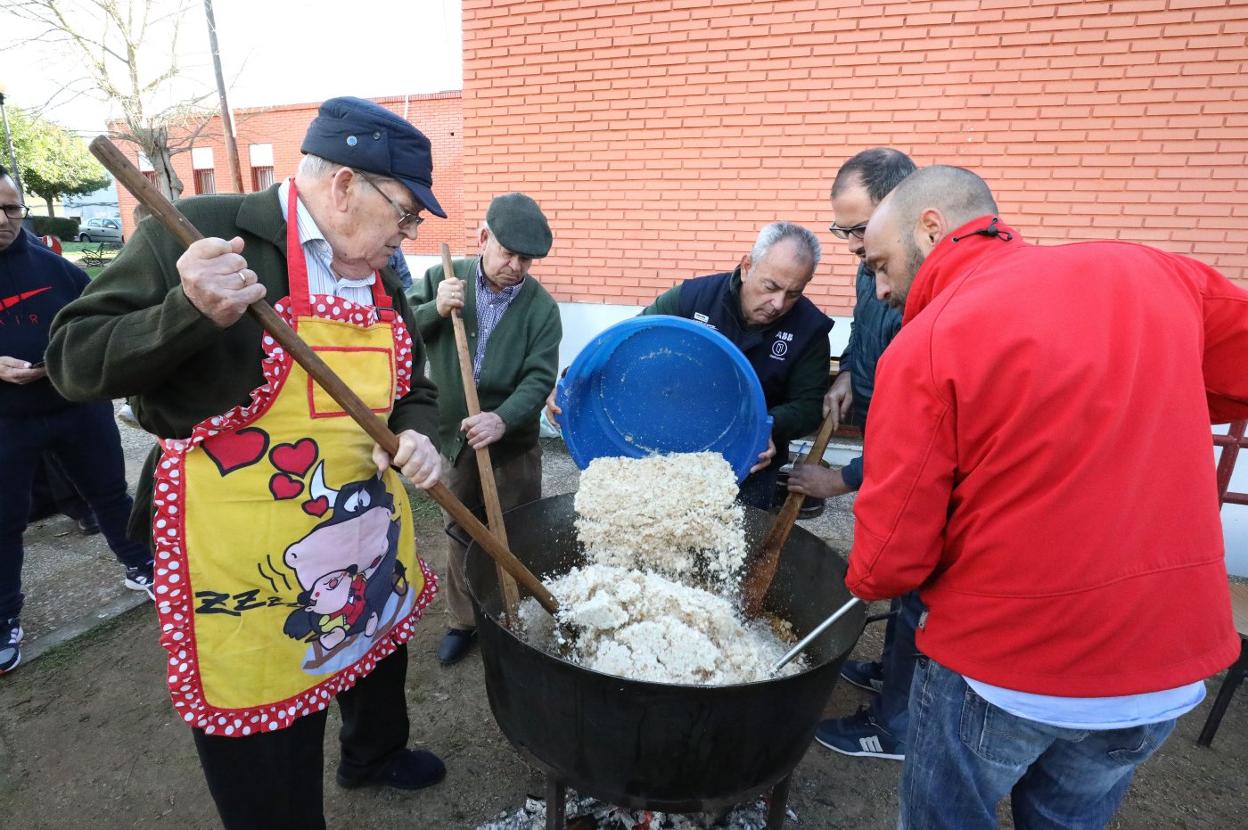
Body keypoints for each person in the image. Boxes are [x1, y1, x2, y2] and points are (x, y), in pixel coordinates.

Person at [47, 97, 451, 829]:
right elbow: (73, 362)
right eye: (405, 211)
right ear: (345, 187)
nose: (409, 232)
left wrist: (417, 433)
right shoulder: (207, 235)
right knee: (270, 715)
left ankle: (373, 753)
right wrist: (185, 310)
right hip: (245, 546)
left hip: (361, 518)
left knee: (376, 641)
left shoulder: (383, 273)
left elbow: (415, 384)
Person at [850, 164, 1248, 828]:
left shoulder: (929, 339)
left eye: (882, 263)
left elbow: (890, 560)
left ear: (933, 227)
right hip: (1161, 672)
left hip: (1005, 669)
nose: (881, 287)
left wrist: (864, 576)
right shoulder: (1150, 271)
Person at [787, 148, 920, 761]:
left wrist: (839, 480)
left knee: (914, 580)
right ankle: (894, 672)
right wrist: (847, 375)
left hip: (904, 450)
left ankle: (896, 722)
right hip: (875, 419)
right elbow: (867, 332)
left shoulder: (924, 291)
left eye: (857, 229)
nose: (849, 245)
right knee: (903, 588)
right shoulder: (877, 267)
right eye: (840, 229)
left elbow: (921, 438)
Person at [549, 222, 831, 509]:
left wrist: (768, 426)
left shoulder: (809, 329)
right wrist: (573, 382)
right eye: (771, 287)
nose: (778, 303)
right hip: (668, 442)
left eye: (793, 293)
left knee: (741, 542)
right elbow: (625, 346)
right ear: (747, 267)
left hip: (747, 459)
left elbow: (809, 406)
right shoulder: (691, 298)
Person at [0, 165, 155, 676]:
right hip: (7, 422)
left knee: (111, 493)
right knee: (4, 521)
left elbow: (95, 325)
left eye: (11, 208)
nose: (4, 219)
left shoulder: (55, 269)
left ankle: (142, 564)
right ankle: (4, 619)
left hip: (75, 408)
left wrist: (70, 360)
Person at [408, 192, 561, 666]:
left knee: (515, 530)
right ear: (483, 238)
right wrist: (433, 308)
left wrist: (504, 418)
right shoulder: (441, 280)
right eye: (507, 253)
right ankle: (464, 621)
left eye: (526, 259)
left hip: (512, 445)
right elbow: (400, 335)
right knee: (461, 530)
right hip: (456, 439)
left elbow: (540, 378)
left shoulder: (541, 309)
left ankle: (512, 615)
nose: (515, 266)